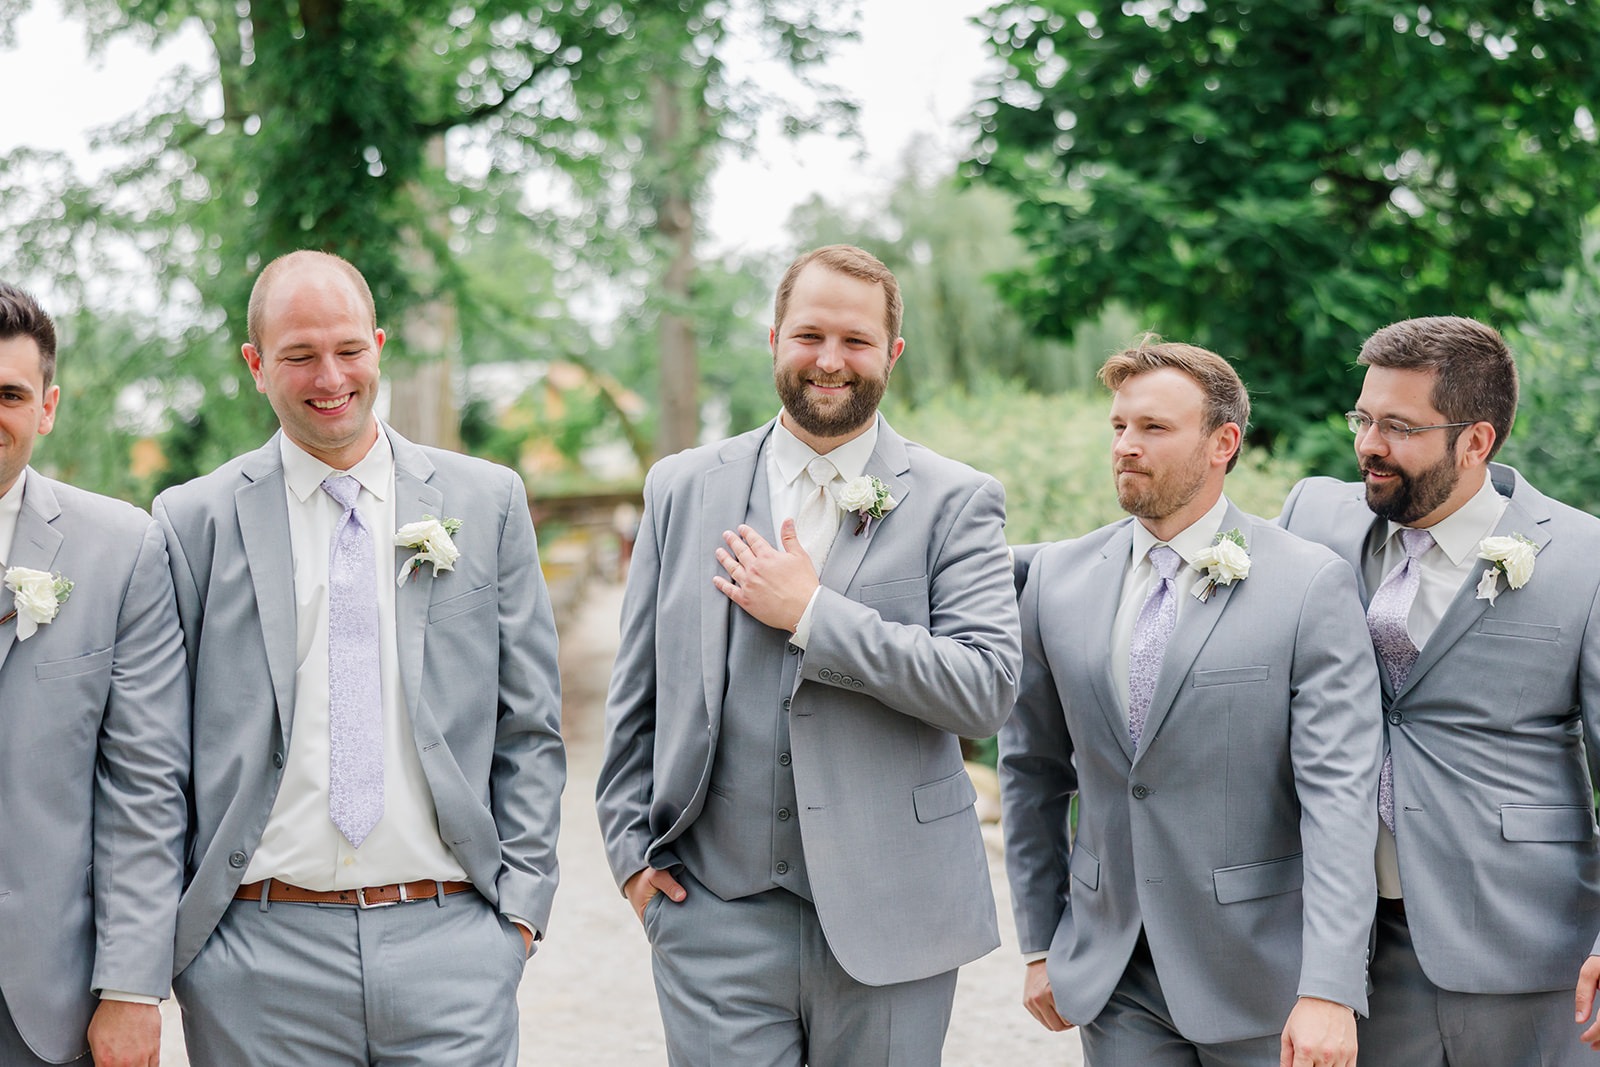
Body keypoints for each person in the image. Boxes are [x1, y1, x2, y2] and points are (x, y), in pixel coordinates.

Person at [595, 244, 1022, 1065]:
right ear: (774, 339)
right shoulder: (680, 488)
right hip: (714, 916)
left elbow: (986, 688)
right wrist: (631, 861)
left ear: (893, 353)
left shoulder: (957, 499)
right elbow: (637, 691)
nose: (830, 360)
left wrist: (815, 616)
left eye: (856, 340)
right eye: (809, 335)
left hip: (896, 918)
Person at [154, 250, 564, 1065]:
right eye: (300, 355)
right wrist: (191, 951)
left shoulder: (487, 502)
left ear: (378, 346)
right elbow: (157, 753)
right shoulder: (191, 522)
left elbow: (530, 724)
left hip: (452, 945)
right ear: (255, 365)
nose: (330, 377)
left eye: (348, 349)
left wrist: (517, 912)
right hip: (256, 964)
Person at [1000, 339, 1382, 1067]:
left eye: (1154, 428)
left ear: (1223, 443)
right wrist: (1041, 941)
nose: (1126, 445)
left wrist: (1329, 987)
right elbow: (1030, 772)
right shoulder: (1055, 580)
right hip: (1115, 976)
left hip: (1262, 976)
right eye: (1119, 426)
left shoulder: (1308, 584)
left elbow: (1339, 798)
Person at [1279, 315, 1600, 1066]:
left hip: (1531, 946)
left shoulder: (1586, 558)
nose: (1368, 444)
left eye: (1398, 427)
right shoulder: (1314, 515)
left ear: (1476, 441)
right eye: (1362, 418)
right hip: (1356, 946)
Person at [0, 282, 188, 1066]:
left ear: (46, 408)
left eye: (9, 394)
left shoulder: (121, 549)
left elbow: (145, 785)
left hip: (46, 1000)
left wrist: (131, 987)